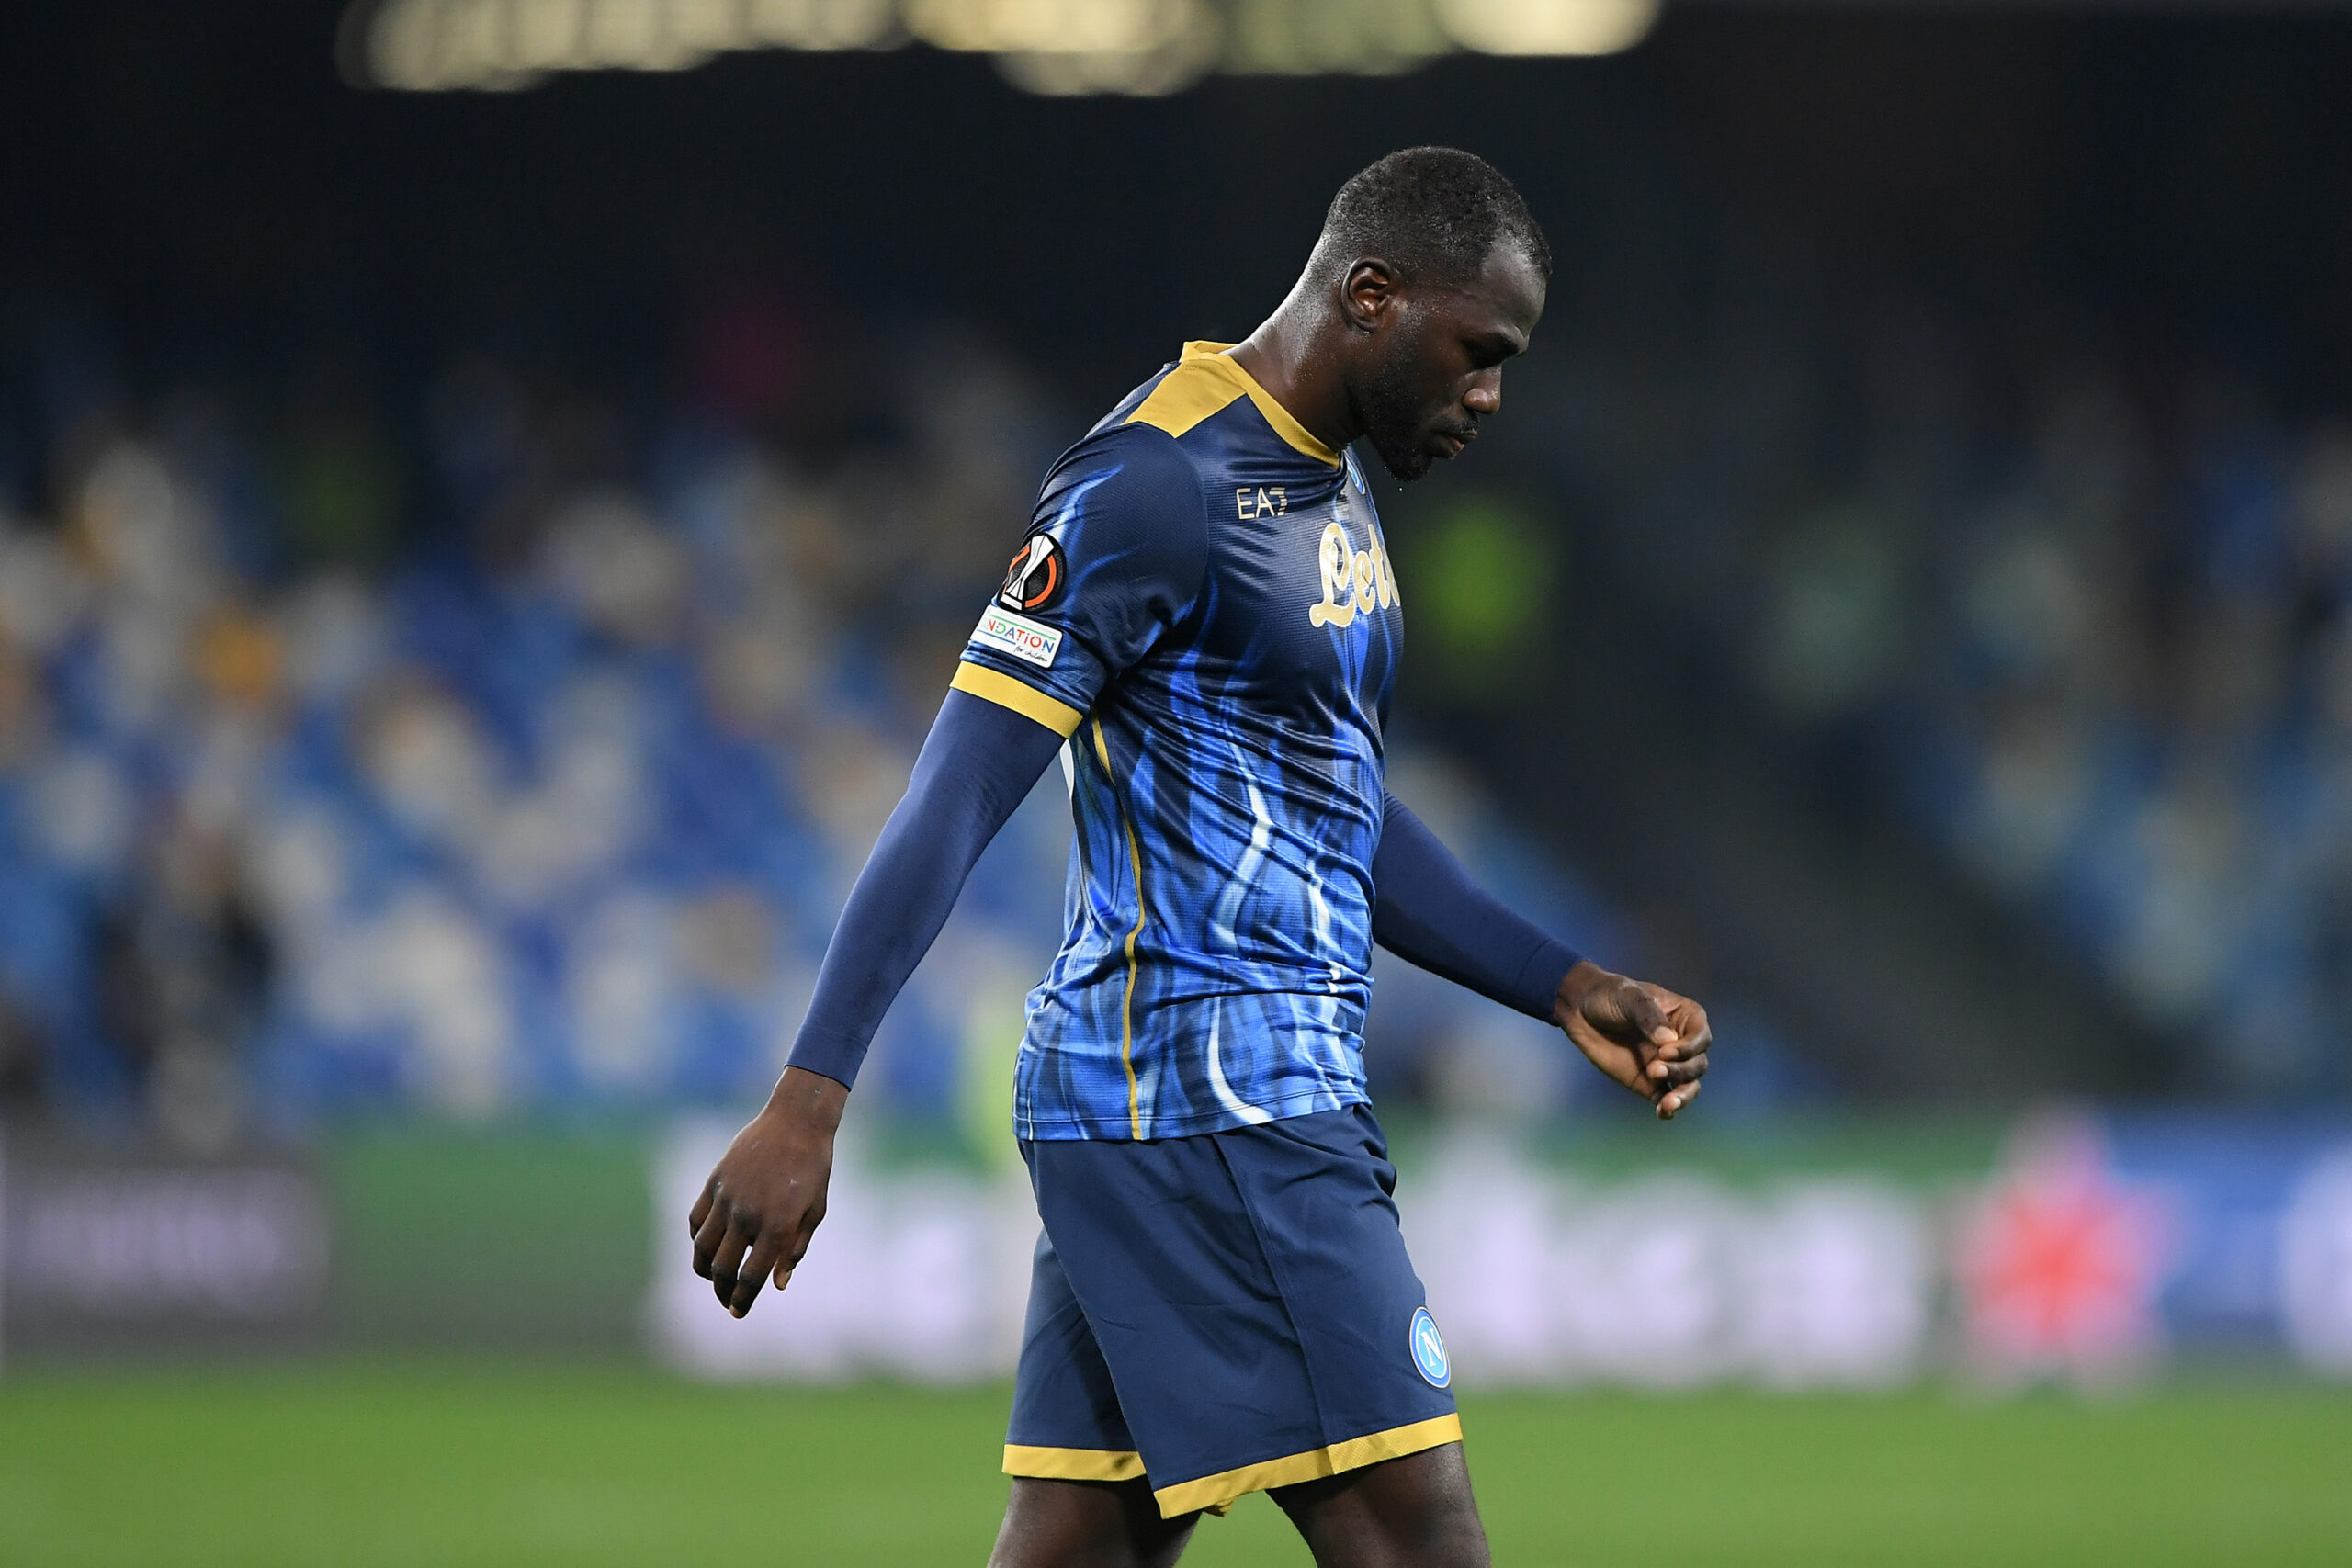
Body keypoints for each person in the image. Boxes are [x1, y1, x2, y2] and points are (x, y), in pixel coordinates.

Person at [689, 146, 1712, 1568]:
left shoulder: (1333, 488)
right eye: (1479, 353)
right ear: (1371, 296)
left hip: (1180, 1104)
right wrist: (810, 1100)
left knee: (1078, 1543)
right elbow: (960, 787)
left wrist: (1560, 983)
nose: (1489, 396)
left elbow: (1335, 811)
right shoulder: (1155, 482)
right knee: (1420, 1537)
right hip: (1220, 1099)